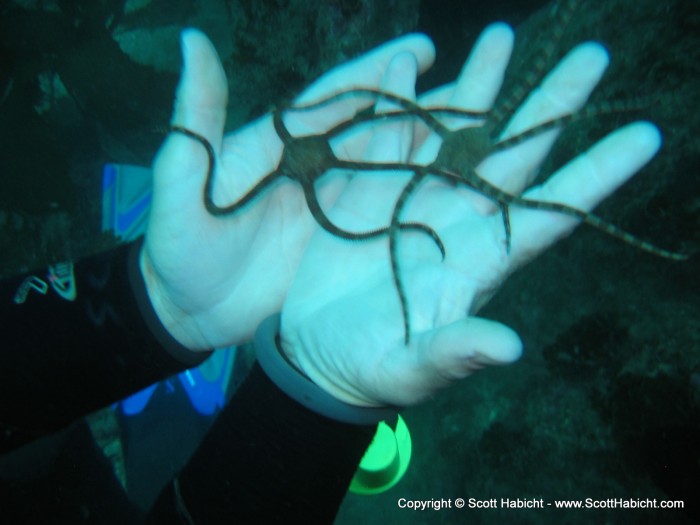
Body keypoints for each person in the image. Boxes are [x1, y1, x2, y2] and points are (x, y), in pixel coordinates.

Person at [1, 23, 661, 523]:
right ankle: (173, 400)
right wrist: (314, 397)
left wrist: (147, 305)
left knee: (87, 453)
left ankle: (165, 389)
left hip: (46, 449)